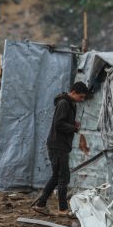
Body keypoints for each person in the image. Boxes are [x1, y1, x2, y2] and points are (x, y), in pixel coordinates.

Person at [33, 81, 90, 216]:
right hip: (58, 145)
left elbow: (62, 121)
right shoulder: (64, 103)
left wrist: (72, 124)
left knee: (57, 176)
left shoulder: (69, 103)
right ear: (73, 92)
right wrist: (73, 128)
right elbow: (58, 124)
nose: (82, 99)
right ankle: (62, 209)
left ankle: (41, 204)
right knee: (63, 176)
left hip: (60, 145)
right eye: (81, 96)